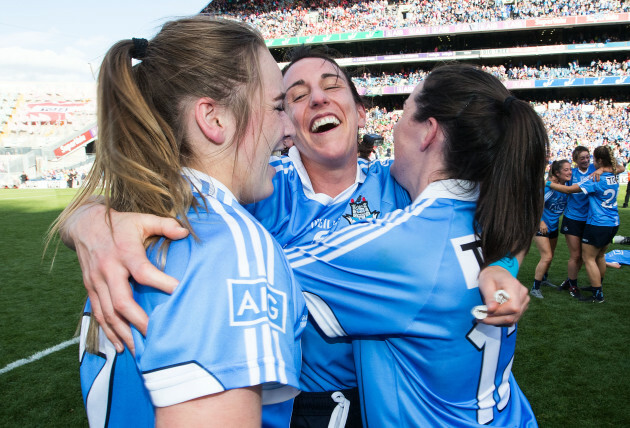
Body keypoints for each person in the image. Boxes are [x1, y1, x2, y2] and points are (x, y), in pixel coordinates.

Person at [59, 48, 530, 427]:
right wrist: (91, 221)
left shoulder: (400, 188)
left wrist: (504, 265)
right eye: (294, 96)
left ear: (361, 113)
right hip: (286, 405)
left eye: (331, 86)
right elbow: (159, 210)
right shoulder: (258, 188)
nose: (318, 100)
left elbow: (504, 192)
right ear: (285, 125)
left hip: (379, 404)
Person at [49, 17, 307, 427]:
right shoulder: (229, 246)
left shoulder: (132, 223)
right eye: (277, 106)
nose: (291, 128)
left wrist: (84, 217)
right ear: (214, 119)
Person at [285, 63, 546, 426]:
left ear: (428, 132)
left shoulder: (399, 247)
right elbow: (523, 206)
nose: (393, 127)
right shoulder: (491, 210)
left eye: (404, 112)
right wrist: (505, 265)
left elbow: (255, 274)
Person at [550, 146, 620, 303]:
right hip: (576, 219)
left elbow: (618, 167)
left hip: (593, 221)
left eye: (589, 157)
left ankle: (596, 289)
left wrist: (602, 170)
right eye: (582, 157)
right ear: (575, 159)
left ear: (596, 160)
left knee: (590, 257)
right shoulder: (573, 173)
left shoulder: (595, 172)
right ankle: (573, 284)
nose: (587, 160)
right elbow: (560, 181)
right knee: (577, 255)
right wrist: (552, 181)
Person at [530, 160, 572, 299]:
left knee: (551, 255)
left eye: (570, 169)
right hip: (540, 226)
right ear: (557, 173)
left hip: (553, 226)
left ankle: (544, 278)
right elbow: (534, 206)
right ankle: (535, 288)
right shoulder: (549, 189)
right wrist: (540, 222)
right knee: (546, 256)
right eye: (566, 170)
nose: (569, 172)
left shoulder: (567, 187)